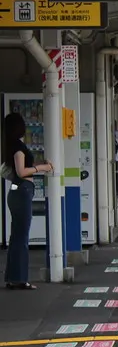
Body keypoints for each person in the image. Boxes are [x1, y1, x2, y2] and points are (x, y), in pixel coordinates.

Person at [3, 112, 53, 290]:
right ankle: (20, 279)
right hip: (22, 190)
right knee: (22, 237)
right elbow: (21, 172)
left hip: (16, 191)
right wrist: (43, 167)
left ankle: (12, 277)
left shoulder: (9, 145)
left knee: (16, 236)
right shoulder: (18, 147)